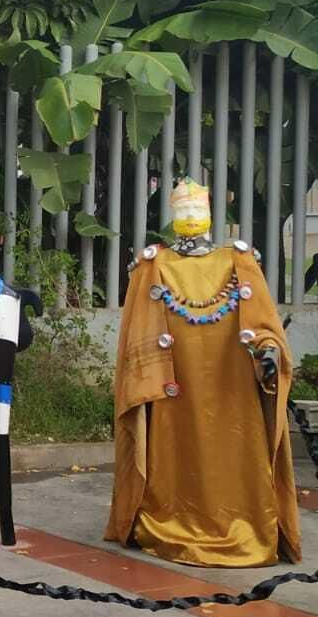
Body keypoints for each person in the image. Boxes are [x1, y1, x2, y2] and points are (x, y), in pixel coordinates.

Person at [105, 179, 301, 566]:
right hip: (173, 387)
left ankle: (244, 526)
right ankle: (166, 519)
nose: (191, 216)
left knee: (237, 455)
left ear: (211, 214)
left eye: (197, 209)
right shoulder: (152, 265)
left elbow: (265, 327)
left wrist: (268, 355)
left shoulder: (240, 262)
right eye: (183, 210)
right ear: (173, 217)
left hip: (233, 390)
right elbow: (136, 335)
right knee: (172, 456)